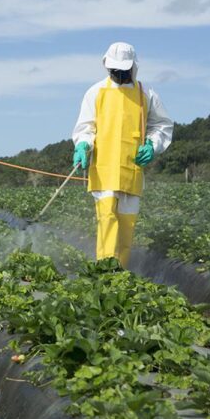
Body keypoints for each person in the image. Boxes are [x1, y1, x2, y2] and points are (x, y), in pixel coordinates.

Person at [72, 42, 173, 268]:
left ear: (132, 68)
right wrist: (82, 146)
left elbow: (162, 125)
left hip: (132, 169)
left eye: (122, 70)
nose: (118, 74)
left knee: (126, 227)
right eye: (114, 70)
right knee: (107, 220)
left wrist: (152, 145)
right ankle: (105, 273)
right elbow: (86, 127)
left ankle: (120, 275)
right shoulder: (96, 92)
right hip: (104, 169)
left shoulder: (146, 94)